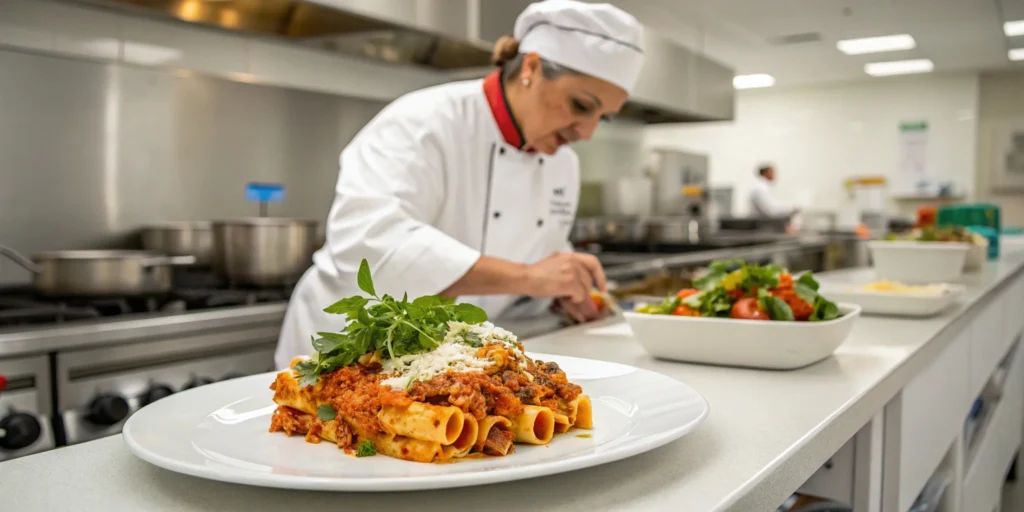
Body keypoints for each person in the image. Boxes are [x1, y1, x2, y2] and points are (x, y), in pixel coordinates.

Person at [274, 0, 646, 368]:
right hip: (349, 349)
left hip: (450, 359)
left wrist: (559, 292)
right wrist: (529, 278)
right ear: (531, 67)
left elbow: (534, 256)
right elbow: (372, 245)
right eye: (581, 106)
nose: (587, 132)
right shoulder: (422, 123)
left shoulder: (562, 163)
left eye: (604, 118)